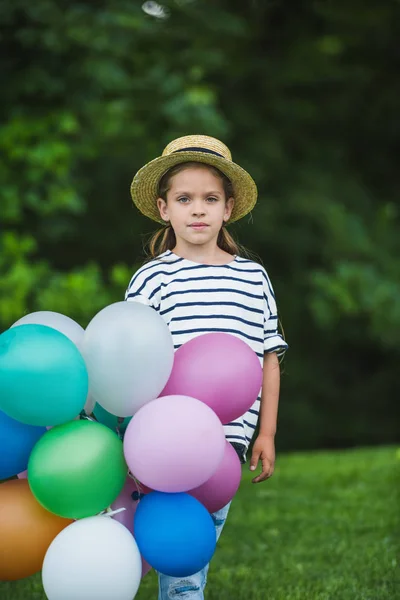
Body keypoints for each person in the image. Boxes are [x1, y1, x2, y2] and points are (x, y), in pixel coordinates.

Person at [125, 135, 288, 599]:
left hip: (225, 445)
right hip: (164, 437)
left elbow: (267, 358)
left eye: (210, 199)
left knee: (191, 559)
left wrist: (267, 433)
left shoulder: (252, 277)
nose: (198, 210)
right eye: (184, 198)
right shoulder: (153, 277)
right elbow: (131, 359)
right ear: (163, 209)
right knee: (180, 571)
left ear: (228, 208)